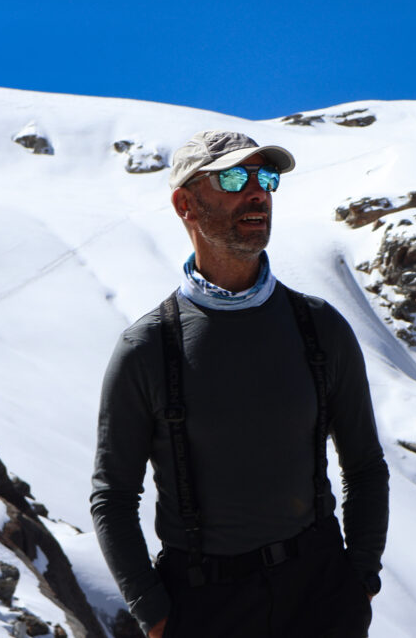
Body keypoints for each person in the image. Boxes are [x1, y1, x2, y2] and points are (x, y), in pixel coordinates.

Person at [91, 131, 389, 638]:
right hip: (204, 604)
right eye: (233, 178)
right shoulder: (146, 349)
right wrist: (155, 614)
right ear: (186, 204)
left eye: (265, 178)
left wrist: (359, 580)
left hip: (320, 595)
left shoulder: (319, 327)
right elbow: (113, 496)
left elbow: (364, 466)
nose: (257, 192)